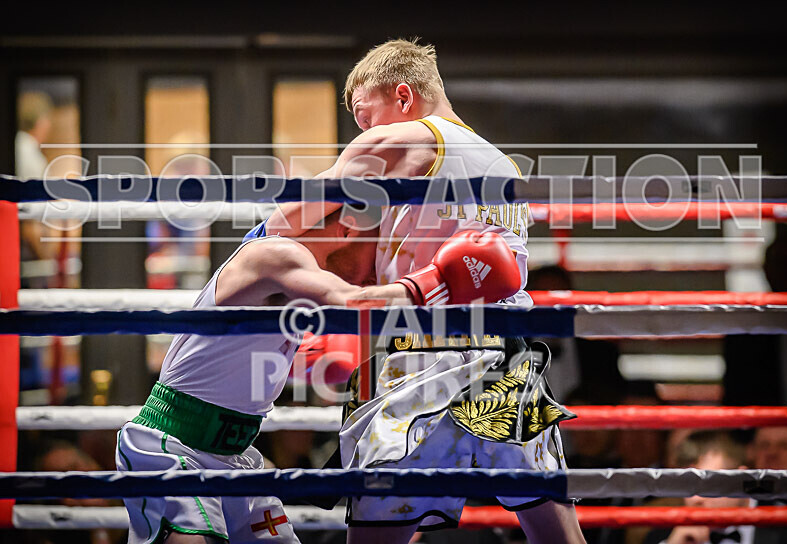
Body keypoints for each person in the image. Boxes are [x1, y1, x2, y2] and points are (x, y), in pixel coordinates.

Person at [262, 38, 584, 544]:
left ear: (405, 96)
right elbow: (497, 269)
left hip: (421, 362)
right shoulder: (503, 164)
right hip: (505, 360)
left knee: (379, 532)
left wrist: (257, 251)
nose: (363, 133)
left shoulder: (404, 138)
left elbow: (292, 217)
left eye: (367, 116)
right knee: (557, 532)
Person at [116, 204, 523, 544]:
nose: (374, 274)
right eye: (377, 253)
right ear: (349, 227)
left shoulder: (297, 282)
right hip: (172, 443)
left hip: (233, 455)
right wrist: (439, 281)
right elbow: (350, 301)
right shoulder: (276, 253)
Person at [644, 431, 751, 544]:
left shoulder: (771, 518)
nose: (695, 499)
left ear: (740, 480)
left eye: (706, 484)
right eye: (687, 485)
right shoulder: (663, 537)